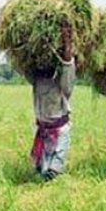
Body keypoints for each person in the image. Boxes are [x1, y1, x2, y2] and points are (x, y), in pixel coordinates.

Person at [25, 25, 76, 180]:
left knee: (53, 172)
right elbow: (23, 67)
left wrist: (67, 42)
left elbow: (68, 63)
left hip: (59, 131)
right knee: (40, 171)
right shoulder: (37, 79)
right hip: (42, 129)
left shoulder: (62, 80)